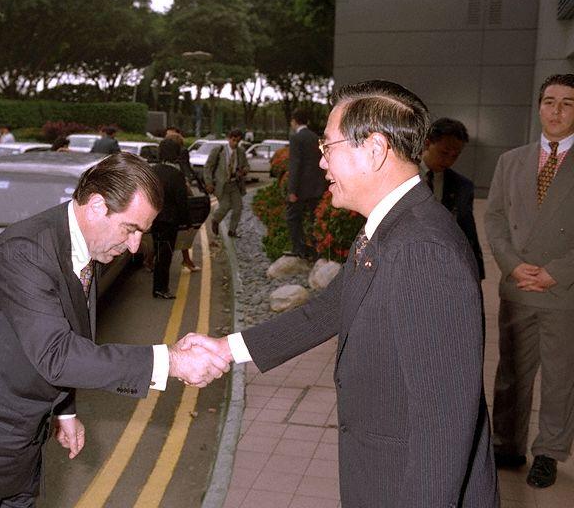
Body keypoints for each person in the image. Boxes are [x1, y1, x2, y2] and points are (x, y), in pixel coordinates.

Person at [183, 80, 499, 507]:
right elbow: (328, 311)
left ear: (374, 149)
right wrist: (225, 349)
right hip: (380, 473)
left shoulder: (421, 250)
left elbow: (443, 424)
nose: (321, 161)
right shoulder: (388, 228)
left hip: (408, 486)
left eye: (327, 146)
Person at [0, 152, 229, 507]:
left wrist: (64, 410)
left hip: (18, 453)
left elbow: (67, 337)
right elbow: (57, 354)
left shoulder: (85, 246)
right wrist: (171, 361)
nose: (135, 246)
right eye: (131, 229)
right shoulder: (24, 251)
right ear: (98, 206)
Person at [485, 73, 574, 489]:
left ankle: (549, 452)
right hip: (518, 285)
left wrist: (558, 271)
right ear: (538, 107)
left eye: (567, 103)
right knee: (511, 374)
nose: (556, 111)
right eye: (550, 101)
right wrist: (511, 264)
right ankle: (506, 444)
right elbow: (496, 218)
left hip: (564, 290)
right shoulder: (511, 160)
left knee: (561, 377)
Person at [420, 117, 484, 280]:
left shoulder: (462, 186)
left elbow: (467, 230)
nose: (448, 160)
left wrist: (475, 271)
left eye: (455, 156)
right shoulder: (402, 175)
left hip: (443, 265)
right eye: (444, 152)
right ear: (427, 144)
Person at [151, 140, 191, 299]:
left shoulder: (152, 171)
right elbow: (182, 201)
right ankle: (161, 288)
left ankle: (157, 287)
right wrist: (187, 221)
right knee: (165, 256)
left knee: (158, 252)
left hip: (154, 219)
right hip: (169, 221)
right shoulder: (176, 175)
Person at [286, 108, 326, 260]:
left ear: (294, 121)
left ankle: (299, 249)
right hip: (316, 188)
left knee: (293, 217)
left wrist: (292, 191)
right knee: (313, 219)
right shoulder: (315, 137)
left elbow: (295, 165)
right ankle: (316, 250)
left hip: (301, 189)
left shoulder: (296, 138)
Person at [165, 126, 201, 272]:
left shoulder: (171, 156)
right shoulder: (173, 159)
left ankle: (185, 259)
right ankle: (185, 260)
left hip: (169, 199)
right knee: (181, 229)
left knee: (171, 231)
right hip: (176, 197)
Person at [204, 129, 249, 238]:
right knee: (225, 205)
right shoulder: (218, 151)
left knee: (238, 207)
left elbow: (246, 166)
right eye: (233, 140)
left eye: (238, 141)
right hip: (221, 185)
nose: (235, 143)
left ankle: (232, 231)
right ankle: (215, 219)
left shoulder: (241, 152)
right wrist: (209, 183)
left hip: (234, 184)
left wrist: (243, 171)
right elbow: (208, 167)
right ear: (229, 138)